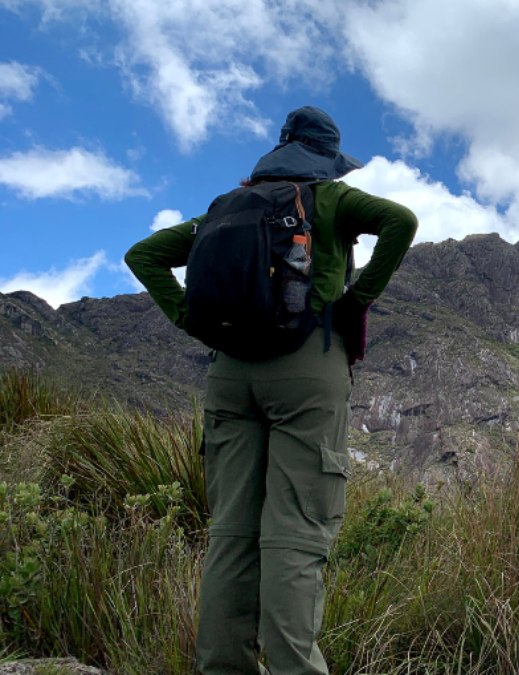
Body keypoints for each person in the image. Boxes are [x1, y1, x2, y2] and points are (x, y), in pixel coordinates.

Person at [125, 105, 418, 674]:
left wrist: (189, 319)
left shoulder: (227, 209)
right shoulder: (329, 200)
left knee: (232, 532)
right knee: (296, 534)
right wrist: (357, 300)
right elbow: (400, 221)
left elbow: (144, 255)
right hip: (308, 367)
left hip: (229, 374)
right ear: (325, 159)